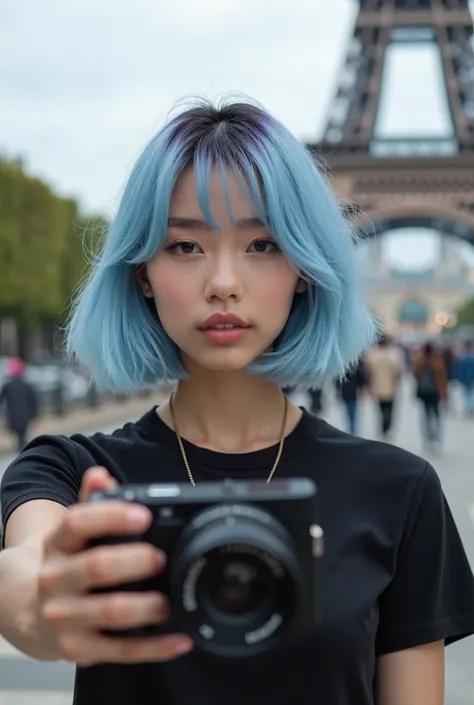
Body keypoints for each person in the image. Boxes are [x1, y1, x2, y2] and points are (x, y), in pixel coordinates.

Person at [0, 99, 473, 705]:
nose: (223, 281)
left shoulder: (402, 493)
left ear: (304, 267)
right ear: (142, 272)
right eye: (186, 247)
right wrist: (44, 601)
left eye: (263, 245)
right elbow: (27, 574)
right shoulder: (71, 474)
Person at [364, 334, 403, 442]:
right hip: (390, 388)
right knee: (389, 411)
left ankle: (383, 430)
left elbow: (367, 373)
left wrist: (368, 386)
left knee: (381, 411)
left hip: (377, 388)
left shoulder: (372, 355)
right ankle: (386, 429)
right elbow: (398, 372)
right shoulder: (393, 355)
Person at [412, 343, 447, 453]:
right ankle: (436, 439)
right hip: (435, 393)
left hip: (424, 393)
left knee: (426, 416)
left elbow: (414, 374)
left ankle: (427, 439)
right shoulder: (438, 361)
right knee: (436, 416)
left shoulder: (419, 361)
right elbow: (442, 379)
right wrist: (445, 396)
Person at [0, 357, 39, 452]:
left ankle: (21, 447)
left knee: (18, 435)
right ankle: (22, 447)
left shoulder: (7, 386)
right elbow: (34, 402)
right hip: (25, 416)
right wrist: (34, 416)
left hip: (12, 416)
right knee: (22, 434)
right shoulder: (27, 386)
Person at [334, 357, 367, 435]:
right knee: (352, 411)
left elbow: (337, 381)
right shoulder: (356, 365)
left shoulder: (341, 365)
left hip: (345, 391)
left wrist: (337, 391)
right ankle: (352, 429)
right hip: (352, 391)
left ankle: (351, 429)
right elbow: (361, 377)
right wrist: (362, 388)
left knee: (349, 411)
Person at [453, 340, 474, 417]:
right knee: (471, 393)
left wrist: (459, 378)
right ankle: (471, 406)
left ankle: (467, 407)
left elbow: (459, 369)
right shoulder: (472, 357)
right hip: (471, 378)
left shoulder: (462, 358)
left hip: (465, 379)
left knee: (465, 393)